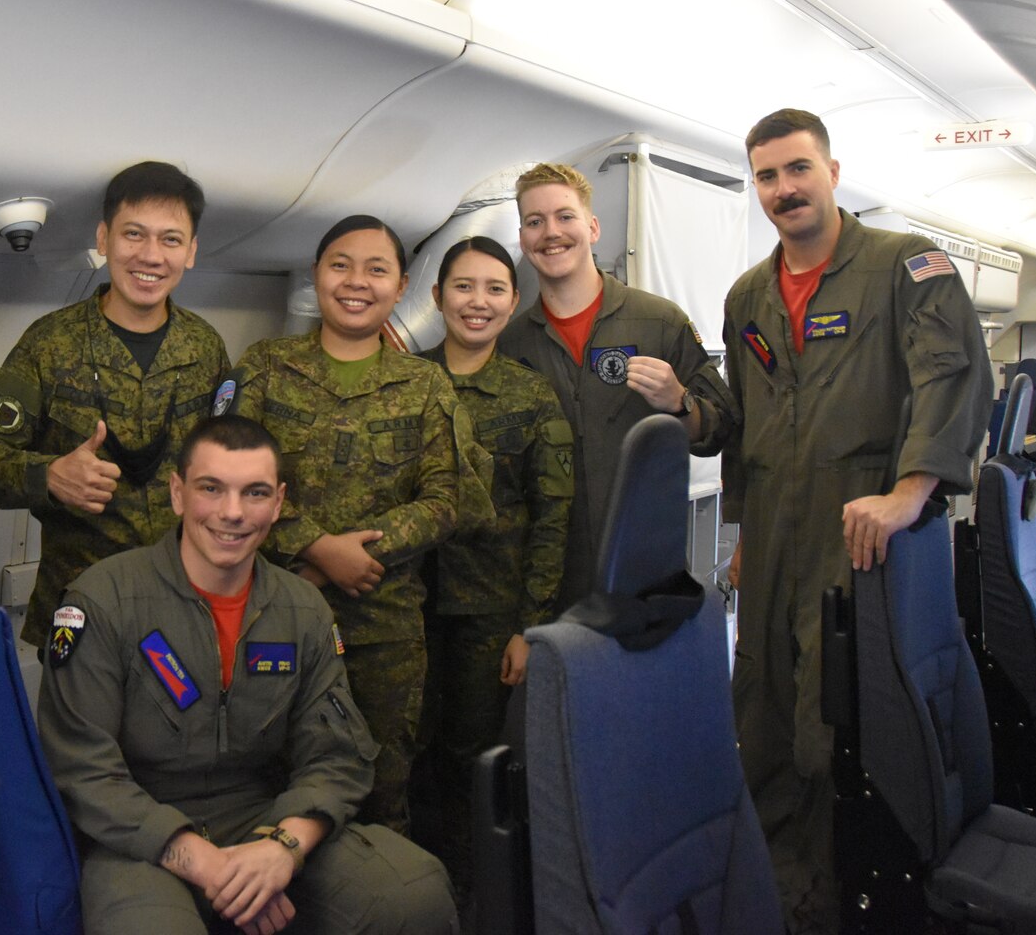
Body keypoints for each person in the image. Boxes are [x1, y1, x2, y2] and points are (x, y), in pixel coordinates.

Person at [723, 109, 992, 932]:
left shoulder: (904, 265)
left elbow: (951, 374)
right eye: (767, 176)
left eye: (798, 169)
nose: (784, 189)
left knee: (836, 724)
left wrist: (910, 492)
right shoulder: (748, 295)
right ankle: (779, 897)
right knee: (761, 713)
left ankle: (854, 898)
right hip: (772, 529)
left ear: (833, 172)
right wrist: (740, 537)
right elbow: (745, 422)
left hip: (860, 523)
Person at [37, 414, 457, 935]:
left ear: (278, 504)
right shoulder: (104, 599)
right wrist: (205, 863)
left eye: (254, 493)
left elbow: (337, 755)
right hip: (139, 837)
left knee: (412, 894)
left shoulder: (302, 608)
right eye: (211, 488)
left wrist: (282, 848)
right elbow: (82, 768)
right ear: (178, 494)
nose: (232, 514)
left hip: (263, 817)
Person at [219, 214, 488, 834]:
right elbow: (228, 477)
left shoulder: (423, 385)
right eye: (340, 265)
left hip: (384, 627)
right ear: (316, 277)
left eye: (377, 269)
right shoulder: (263, 367)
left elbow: (450, 497)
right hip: (271, 614)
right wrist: (312, 546)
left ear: (400, 289)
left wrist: (359, 553)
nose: (356, 282)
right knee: (264, 783)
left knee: (380, 789)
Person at [0, 161, 230, 648]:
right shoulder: (52, 343)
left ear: (190, 252)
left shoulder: (204, 348)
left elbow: (225, 461)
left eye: (170, 240)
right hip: (81, 605)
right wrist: (49, 476)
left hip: (183, 601)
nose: (150, 255)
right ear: (104, 239)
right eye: (133, 235)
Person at [499, 162, 734, 606]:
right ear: (524, 238)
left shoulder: (659, 322)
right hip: (546, 584)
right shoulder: (512, 343)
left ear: (592, 226)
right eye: (535, 221)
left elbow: (718, 431)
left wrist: (680, 403)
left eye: (565, 216)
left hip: (643, 575)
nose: (551, 232)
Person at [412, 236, 571, 894]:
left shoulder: (531, 397)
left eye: (495, 289)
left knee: (472, 760)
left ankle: (471, 895)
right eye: (464, 287)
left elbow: (552, 517)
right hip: (403, 608)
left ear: (512, 302)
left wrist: (528, 627)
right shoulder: (404, 380)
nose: (478, 302)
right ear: (437, 296)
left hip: (489, 615)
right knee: (404, 753)